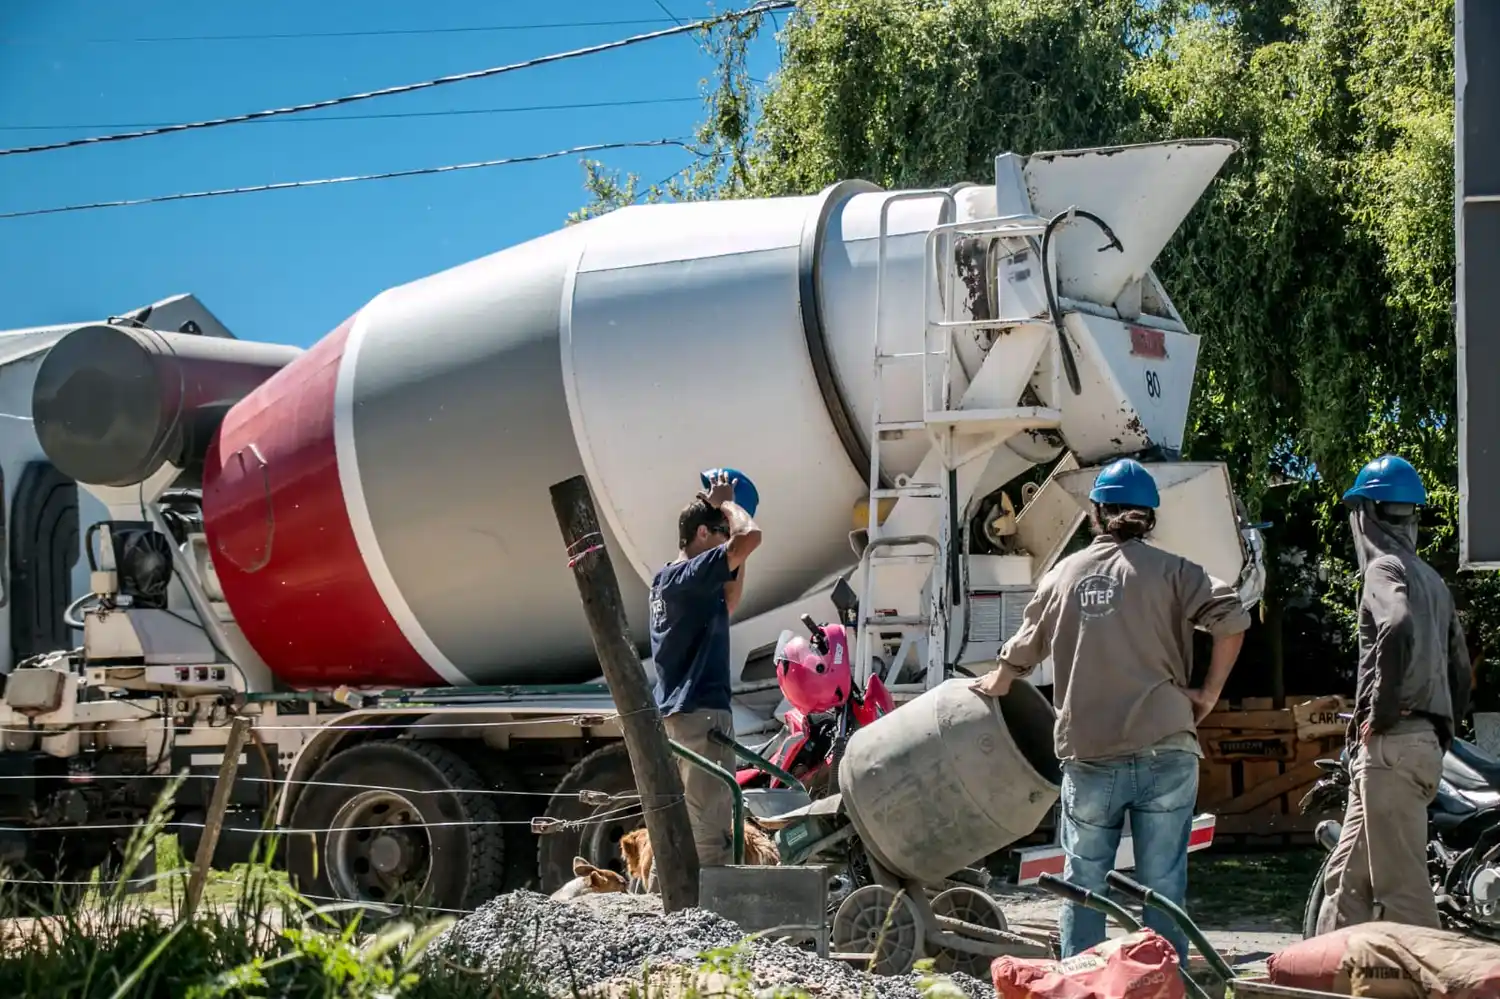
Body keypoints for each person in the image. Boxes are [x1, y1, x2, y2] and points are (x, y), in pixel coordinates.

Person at [971, 457, 1249, 961]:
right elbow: (1232, 619)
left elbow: (1022, 650)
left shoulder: (1063, 576)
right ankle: (1165, 985)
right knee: (1163, 882)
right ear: (1150, 518)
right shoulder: (1175, 572)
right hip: (1167, 747)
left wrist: (1000, 676)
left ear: (1097, 513)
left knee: (1083, 881)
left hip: (1090, 752)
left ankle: (1082, 984)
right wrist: (1207, 695)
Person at [1317, 455, 1470, 933]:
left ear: (1366, 513)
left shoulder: (1385, 568)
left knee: (1401, 891)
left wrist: (1381, 714)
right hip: (1415, 747)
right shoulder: (1432, 579)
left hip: (1392, 745)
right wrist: (1441, 730)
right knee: (1346, 879)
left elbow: (1397, 625)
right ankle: (1329, 975)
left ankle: (1438, 985)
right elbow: (1461, 669)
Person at [649, 469, 762, 869]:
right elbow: (750, 539)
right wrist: (731, 506)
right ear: (702, 533)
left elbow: (729, 602)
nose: (727, 538)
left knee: (700, 818)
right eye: (720, 531)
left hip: (686, 712)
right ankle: (704, 919)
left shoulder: (671, 579)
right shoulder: (689, 575)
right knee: (712, 830)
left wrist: (736, 555)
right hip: (701, 713)